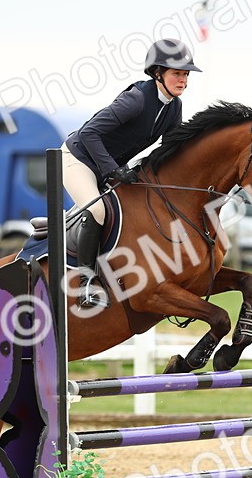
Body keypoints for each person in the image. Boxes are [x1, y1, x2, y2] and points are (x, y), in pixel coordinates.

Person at [60, 38, 202, 308]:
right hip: (77, 160)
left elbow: (170, 150)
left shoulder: (174, 107)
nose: (183, 80)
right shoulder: (136, 99)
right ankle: (86, 284)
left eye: (185, 74)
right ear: (157, 73)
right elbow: (89, 133)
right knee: (97, 210)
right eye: (177, 73)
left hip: (106, 164)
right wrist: (113, 170)